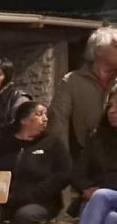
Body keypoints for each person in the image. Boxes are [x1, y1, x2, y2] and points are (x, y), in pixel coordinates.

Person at [44, 95, 117, 224]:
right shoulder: (98, 138)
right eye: (111, 106)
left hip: (104, 197)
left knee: (102, 196)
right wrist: (86, 187)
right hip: (99, 204)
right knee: (111, 218)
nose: (113, 111)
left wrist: (100, 191)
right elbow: (77, 172)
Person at [48, 26, 117, 161]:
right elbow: (56, 121)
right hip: (90, 157)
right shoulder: (72, 81)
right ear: (99, 50)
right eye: (116, 46)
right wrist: (59, 158)